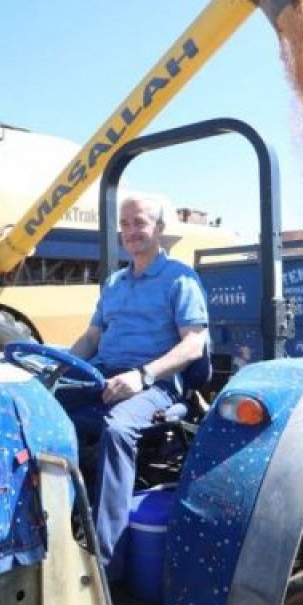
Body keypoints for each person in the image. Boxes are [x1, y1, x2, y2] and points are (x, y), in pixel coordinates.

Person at [63, 193, 209, 582]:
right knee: (39, 409)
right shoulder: (113, 283)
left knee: (117, 429)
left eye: (139, 223)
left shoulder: (179, 278)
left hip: (155, 383)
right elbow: (92, 337)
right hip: (105, 373)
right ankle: (50, 532)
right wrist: (59, 367)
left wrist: (142, 376)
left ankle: (106, 564)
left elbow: (194, 343)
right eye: (125, 224)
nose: (130, 231)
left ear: (159, 229)